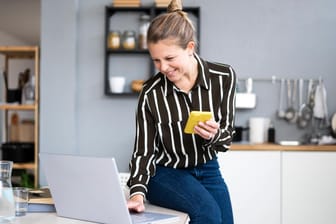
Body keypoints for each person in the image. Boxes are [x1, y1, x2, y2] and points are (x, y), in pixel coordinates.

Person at [127, 0, 236, 223]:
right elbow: (143, 151)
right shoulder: (151, 93)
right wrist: (137, 193)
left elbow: (226, 140)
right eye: (156, 60)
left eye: (169, 59)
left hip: (208, 168)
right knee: (208, 213)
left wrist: (214, 135)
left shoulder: (223, 77)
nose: (163, 68)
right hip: (166, 172)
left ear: (190, 48)